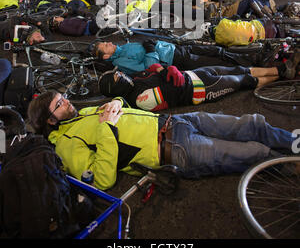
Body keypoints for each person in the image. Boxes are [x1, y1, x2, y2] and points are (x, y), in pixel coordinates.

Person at [27, 90, 296, 191]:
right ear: (50, 121)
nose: (67, 102)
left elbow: (122, 106)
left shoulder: (80, 114)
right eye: (59, 104)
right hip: (173, 151)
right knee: (255, 152)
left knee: (250, 123)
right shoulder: (65, 145)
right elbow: (102, 179)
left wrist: (115, 102)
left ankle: (295, 143)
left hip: (176, 121)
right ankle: (293, 166)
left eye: (63, 97)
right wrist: (107, 127)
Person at [98, 60, 299, 111]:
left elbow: (155, 68)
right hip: (200, 90)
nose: (121, 74)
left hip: (195, 75)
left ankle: (281, 69)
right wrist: (166, 72)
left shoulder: (134, 80)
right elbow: (172, 88)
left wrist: (165, 69)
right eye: (117, 77)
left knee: (241, 70)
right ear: (116, 89)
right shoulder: (139, 99)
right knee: (244, 81)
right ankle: (283, 76)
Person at [93, 38, 280, 76]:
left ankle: (255, 55)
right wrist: (150, 49)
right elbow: (146, 69)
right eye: (106, 45)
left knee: (218, 51)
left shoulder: (123, 48)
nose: (110, 42)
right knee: (217, 62)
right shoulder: (120, 62)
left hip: (176, 49)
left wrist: (153, 43)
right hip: (176, 60)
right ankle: (257, 62)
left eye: (107, 42)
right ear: (106, 56)